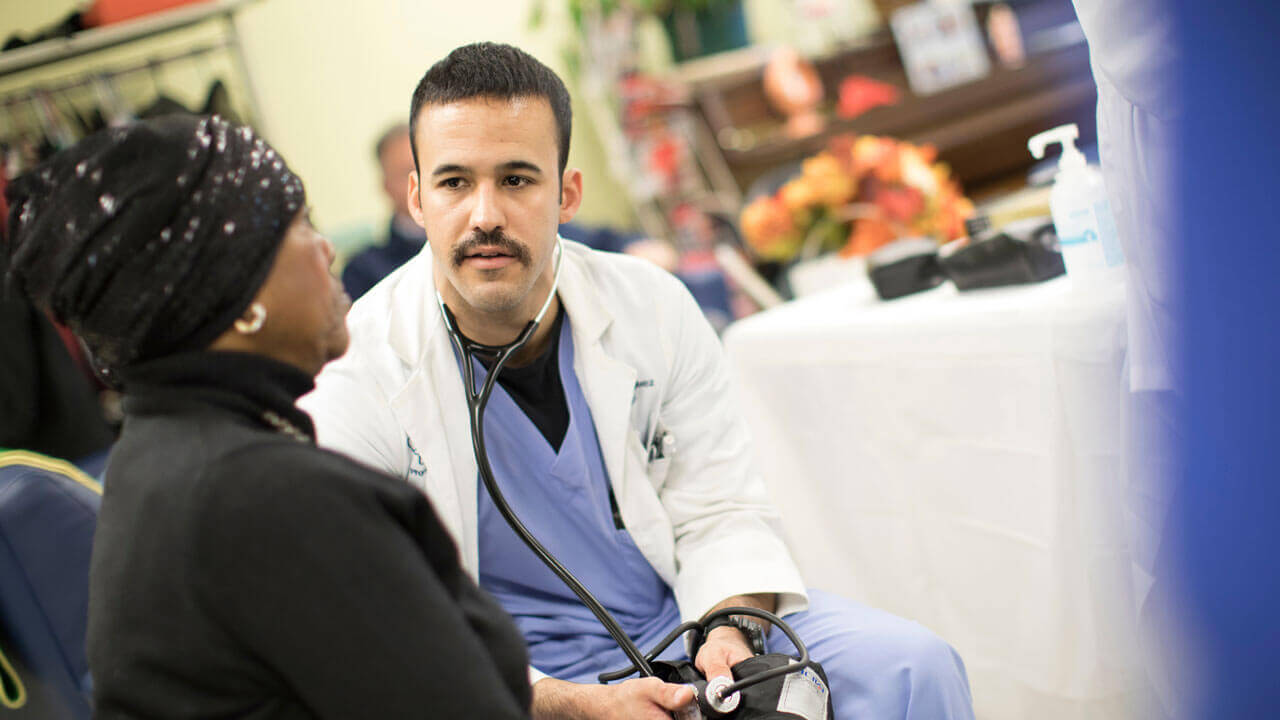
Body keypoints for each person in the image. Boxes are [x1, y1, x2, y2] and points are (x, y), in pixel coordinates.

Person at [301, 42, 974, 720]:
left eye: (516, 179)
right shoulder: (359, 367)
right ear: (416, 198)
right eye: (453, 183)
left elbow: (721, 507)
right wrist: (566, 704)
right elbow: (389, 620)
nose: (484, 216)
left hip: (682, 618)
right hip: (512, 677)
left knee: (913, 668)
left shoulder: (651, 306)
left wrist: (730, 628)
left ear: (566, 194)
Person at [3, 114, 531, 719]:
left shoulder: (157, 454)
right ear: (239, 290)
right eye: (301, 225)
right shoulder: (270, 496)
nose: (328, 248)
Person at [341, 123, 429, 300]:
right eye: (408, 173)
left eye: (427, 166)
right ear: (386, 188)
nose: (423, 181)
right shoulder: (363, 272)